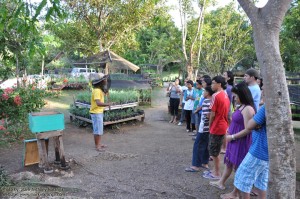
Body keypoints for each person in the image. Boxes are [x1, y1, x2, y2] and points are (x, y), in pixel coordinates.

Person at [209, 82, 255, 196]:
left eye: (236, 96)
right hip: (233, 140)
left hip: (240, 142)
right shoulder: (242, 106)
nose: (234, 98)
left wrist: (232, 136)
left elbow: (248, 129)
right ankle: (221, 182)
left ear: (242, 95)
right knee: (229, 163)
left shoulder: (248, 109)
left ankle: (235, 193)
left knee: (239, 167)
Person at [224, 104, 268, 199]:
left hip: (258, 151)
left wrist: (256, 118)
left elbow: (249, 125)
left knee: (243, 178)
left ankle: (236, 194)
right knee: (262, 181)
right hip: (267, 153)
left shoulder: (266, 106)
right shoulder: (282, 105)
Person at [202, 76, 230, 180]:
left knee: (214, 151)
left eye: (213, 83)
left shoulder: (215, 96)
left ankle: (217, 172)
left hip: (217, 126)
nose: (212, 85)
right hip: (223, 125)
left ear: (219, 84)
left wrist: (210, 126)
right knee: (216, 150)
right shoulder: (225, 94)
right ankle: (215, 170)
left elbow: (212, 114)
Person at [185, 86, 214, 172]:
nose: (203, 93)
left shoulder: (206, 101)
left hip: (204, 127)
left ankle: (195, 165)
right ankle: (204, 162)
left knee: (197, 145)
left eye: (204, 91)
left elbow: (208, 116)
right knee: (206, 145)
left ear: (208, 93)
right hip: (209, 128)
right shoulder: (213, 101)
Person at [90, 73, 111, 151]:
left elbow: (103, 93)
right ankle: (97, 146)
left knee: (99, 129)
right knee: (97, 130)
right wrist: (107, 104)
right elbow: (98, 103)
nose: (106, 81)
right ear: (101, 82)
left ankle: (99, 144)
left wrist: (106, 91)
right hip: (96, 112)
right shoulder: (97, 91)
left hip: (98, 112)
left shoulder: (99, 90)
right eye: (104, 80)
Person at [221, 71, 235, 154]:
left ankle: (225, 147)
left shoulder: (229, 88)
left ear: (228, 78)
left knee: (227, 129)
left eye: (224, 75)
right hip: (227, 110)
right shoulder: (227, 87)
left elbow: (230, 101)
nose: (223, 76)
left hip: (228, 110)